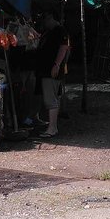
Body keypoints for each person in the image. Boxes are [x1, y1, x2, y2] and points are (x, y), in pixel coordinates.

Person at [35, 8, 69, 138]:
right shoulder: (48, 31)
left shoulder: (60, 31)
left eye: (45, 19)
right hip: (46, 69)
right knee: (53, 97)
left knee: (51, 99)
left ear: (51, 18)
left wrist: (56, 65)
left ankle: (52, 128)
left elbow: (64, 47)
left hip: (52, 70)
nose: (44, 22)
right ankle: (52, 126)